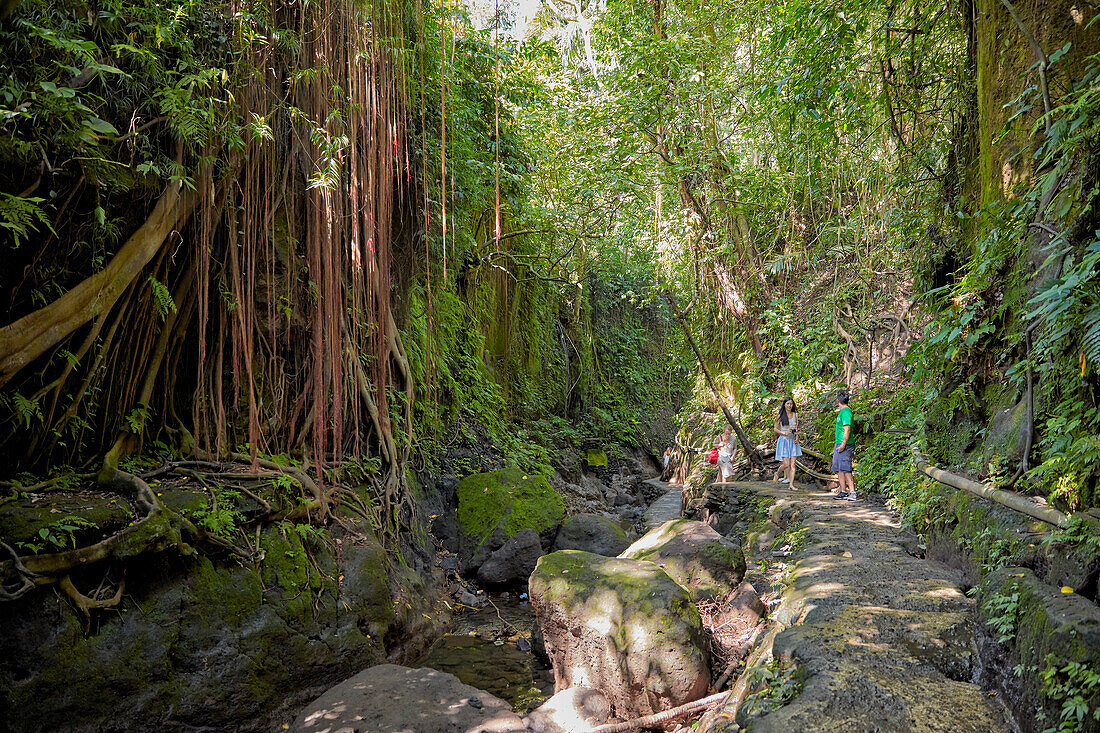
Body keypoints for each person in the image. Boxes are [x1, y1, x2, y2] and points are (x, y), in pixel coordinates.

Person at [832, 389, 858, 501]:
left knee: (846, 468)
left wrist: (843, 444)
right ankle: (843, 491)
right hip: (838, 443)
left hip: (846, 445)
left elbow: (847, 429)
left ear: (838, 400)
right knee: (839, 468)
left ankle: (852, 492)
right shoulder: (842, 412)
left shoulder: (846, 411)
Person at [772, 397, 802, 487]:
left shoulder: (795, 415)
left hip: (793, 441)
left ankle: (791, 485)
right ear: (784, 405)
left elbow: (796, 428)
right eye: (788, 404)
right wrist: (784, 433)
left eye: (791, 404)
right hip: (784, 441)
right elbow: (775, 429)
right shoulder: (780, 416)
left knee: (793, 465)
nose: (790, 405)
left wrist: (797, 437)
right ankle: (777, 473)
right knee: (786, 464)